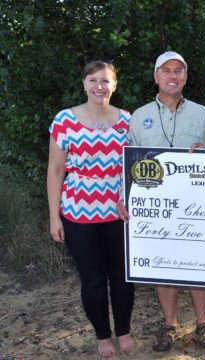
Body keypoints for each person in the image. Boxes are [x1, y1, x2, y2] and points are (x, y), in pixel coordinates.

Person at [116, 51, 205, 352]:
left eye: (179, 71)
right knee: (164, 267)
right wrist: (124, 197)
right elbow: (127, 162)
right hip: (156, 212)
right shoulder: (138, 116)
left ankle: (203, 323)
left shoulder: (204, 113)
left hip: (195, 205)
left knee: (197, 263)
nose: (173, 76)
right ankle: (170, 325)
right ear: (156, 76)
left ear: (185, 77)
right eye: (166, 71)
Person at [47, 60, 135, 358]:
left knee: (123, 277)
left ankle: (123, 329)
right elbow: (55, 171)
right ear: (84, 84)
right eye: (94, 80)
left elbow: (135, 165)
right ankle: (102, 336)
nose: (100, 86)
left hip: (119, 210)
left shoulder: (127, 120)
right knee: (93, 279)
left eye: (106, 81)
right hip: (78, 212)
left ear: (114, 85)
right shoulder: (65, 121)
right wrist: (53, 216)